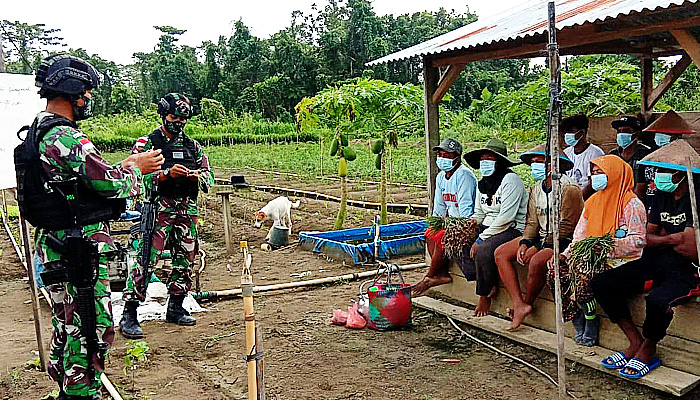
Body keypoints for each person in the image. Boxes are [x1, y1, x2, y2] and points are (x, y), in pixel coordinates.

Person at [15, 54, 163, 400]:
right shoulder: (65, 136)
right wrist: (135, 168)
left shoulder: (40, 131)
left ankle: (69, 385)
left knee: (67, 321)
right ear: (73, 91)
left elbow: (83, 181)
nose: (88, 100)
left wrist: (119, 167)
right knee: (89, 325)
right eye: (86, 93)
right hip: (78, 248)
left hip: (60, 244)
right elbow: (109, 184)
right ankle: (81, 392)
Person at [593, 140, 700, 379]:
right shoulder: (662, 195)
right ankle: (635, 341)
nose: (659, 176)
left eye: (666, 171)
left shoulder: (696, 197)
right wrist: (674, 238)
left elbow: (692, 249)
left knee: (658, 301)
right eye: (658, 170)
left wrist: (664, 237)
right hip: (656, 260)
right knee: (602, 283)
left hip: (690, 268)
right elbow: (646, 237)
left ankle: (648, 350)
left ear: (682, 174)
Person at [120, 93, 215, 338]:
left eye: (183, 118)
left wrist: (197, 176)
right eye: (174, 117)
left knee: (186, 258)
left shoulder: (193, 146)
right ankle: (129, 313)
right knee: (146, 258)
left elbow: (209, 175)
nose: (179, 122)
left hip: (187, 209)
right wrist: (164, 175)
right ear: (164, 116)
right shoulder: (147, 143)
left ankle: (176, 306)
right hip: (158, 209)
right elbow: (134, 175)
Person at [549, 155, 647, 347]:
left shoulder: (631, 204)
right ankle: (577, 314)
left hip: (621, 260)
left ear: (615, 174)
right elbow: (580, 236)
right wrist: (565, 254)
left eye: (600, 173)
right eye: (593, 174)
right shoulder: (593, 202)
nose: (595, 177)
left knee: (585, 275)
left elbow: (638, 240)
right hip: (591, 255)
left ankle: (591, 318)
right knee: (555, 270)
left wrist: (606, 246)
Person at [494, 145, 584, 331]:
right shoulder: (536, 188)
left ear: (553, 164)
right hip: (541, 237)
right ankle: (518, 302)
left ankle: (527, 302)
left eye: (540, 162)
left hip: (564, 242)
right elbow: (532, 222)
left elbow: (566, 228)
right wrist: (526, 242)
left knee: (536, 262)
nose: (535, 166)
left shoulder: (569, 189)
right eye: (533, 162)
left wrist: (539, 247)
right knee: (501, 253)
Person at [462, 138, 528, 317]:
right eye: (482, 160)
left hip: (511, 228)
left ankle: (484, 296)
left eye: (489, 159)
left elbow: (506, 218)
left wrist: (481, 238)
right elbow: (479, 213)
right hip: (488, 226)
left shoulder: (511, 180)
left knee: (483, 250)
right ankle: (485, 281)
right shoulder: (482, 183)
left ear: (499, 162)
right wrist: (470, 224)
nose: (484, 164)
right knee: (456, 241)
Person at [413, 137, 477, 296]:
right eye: (440, 155)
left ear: (457, 157)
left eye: (447, 155)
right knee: (430, 233)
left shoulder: (464, 176)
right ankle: (440, 274)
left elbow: (466, 211)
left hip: (466, 223)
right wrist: (437, 222)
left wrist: (448, 223)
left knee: (443, 237)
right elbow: (439, 207)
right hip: (450, 222)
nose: (442, 158)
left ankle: (428, 277)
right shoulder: (441, 177)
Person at [639, 110, 696, 211]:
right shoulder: (648, 158)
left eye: (665, 134)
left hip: (675, 209)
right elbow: (641, 185)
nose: (660, 137)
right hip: (650, 206)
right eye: (658, 133)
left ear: (677, 136)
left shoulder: (685, 158)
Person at [609, 115, 654, 202]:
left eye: (626, 131)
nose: (621, 134)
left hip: (636, 202)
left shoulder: (646, 154)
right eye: (619, 131)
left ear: (636, 134)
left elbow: (641, 187)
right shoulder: (613, 155)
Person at [562, 114, 605, 200]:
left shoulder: (596, 153)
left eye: (571, 131)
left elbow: (592, 183)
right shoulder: (566, 153)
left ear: (582, 132)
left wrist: (578, 200)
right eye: (566, 132)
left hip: (588, 200)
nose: (567, 135)